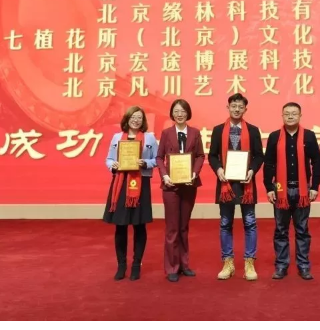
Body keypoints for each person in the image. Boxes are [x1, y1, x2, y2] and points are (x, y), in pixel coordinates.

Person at [208, 93, 265, 281]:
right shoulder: (218, 130)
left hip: (246, 184)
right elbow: (212, 155)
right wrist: (218, 169)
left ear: (245, 109)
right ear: (228, 107)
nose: (237, 109)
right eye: (234, 106)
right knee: (225, 223)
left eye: (240, 106)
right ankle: (228, 263)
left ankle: (249, 263)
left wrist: (252, 170)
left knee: (250, 222)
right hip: (225, 184)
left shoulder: (253, 130)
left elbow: (259, 156)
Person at [263, 102, 320, 280]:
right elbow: (269, 163)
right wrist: (269, 188)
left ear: (300, 115)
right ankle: (281, 265)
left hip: (302, 190)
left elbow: (316, 162)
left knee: (302, 230)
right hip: (280, 190)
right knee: (281, 230)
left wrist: (315, 186)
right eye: (287, 113)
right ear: (282, 115)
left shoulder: (309, 136)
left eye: (294, 113)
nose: (290, 116)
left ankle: (303, 266)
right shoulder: (274, 137)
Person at [103, 106, 158, 281]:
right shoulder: (117, 137)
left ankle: (136, 265)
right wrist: (112, 165)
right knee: (120, 226)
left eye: (139, 117)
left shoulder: (149, 138)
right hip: (121, 184)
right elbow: (109, 159)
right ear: (127, 119)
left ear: (143, 120)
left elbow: (158, 159)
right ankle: (121, 265)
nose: (136, 120)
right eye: (133, 117)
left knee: (139, 226)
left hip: (141, 184)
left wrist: (145, 163)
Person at [155, 99, 205, 282]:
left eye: (183, 111)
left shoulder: (195, 133)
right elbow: (159, 157)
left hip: (189, 185)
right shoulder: (166, 133)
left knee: (184, 227)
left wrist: (195, 172)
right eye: (176, 111)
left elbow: (200, 155)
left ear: (188, 113)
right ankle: (172, 267)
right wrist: (164, 175)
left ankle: (184, 264)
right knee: (172, 228)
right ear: (172, 114)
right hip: (171, 186)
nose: (179, 114)